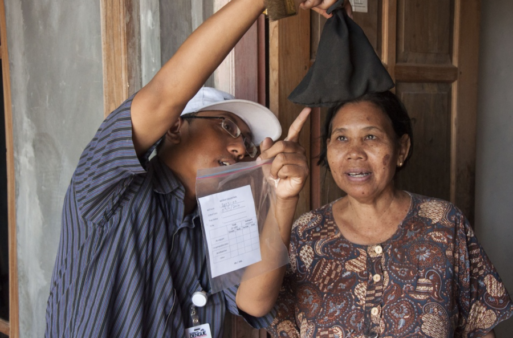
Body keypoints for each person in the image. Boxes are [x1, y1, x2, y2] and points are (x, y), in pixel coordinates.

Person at [44, 0, 341, 337]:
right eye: (227, 127)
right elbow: (163, 98)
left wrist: (284, 200)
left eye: (247, 142)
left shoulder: (223, 218)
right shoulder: (110, 186)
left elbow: (253, 302)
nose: (242, 148)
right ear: (174, 128)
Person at [267, 91, 513, 338]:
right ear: (328, 149)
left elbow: (480, 328)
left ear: (401, 149)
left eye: (370, 136)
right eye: (341, 138)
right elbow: (269, 313)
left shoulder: (445, 223)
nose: (355, 152)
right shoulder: (306, 232)